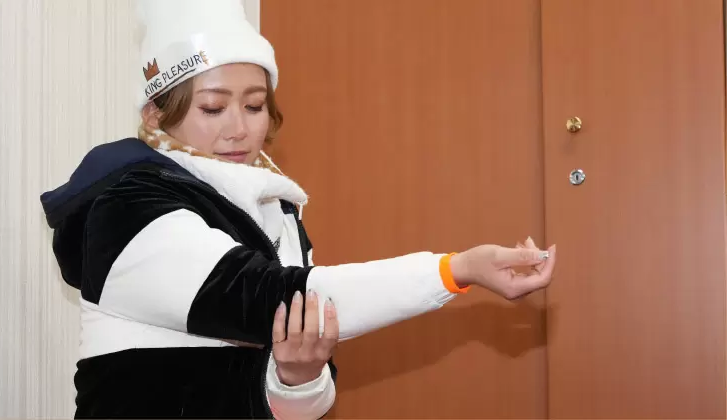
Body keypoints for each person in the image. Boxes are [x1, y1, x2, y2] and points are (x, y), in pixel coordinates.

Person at [40, 0, 557, 418]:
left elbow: (308, 387)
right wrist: (456, 269)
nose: (239, 128)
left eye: (254, 105)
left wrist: (298, 376)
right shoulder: (127, 206)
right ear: (157, 113)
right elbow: (274, 300)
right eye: (213, 108)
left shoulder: (274, 208)